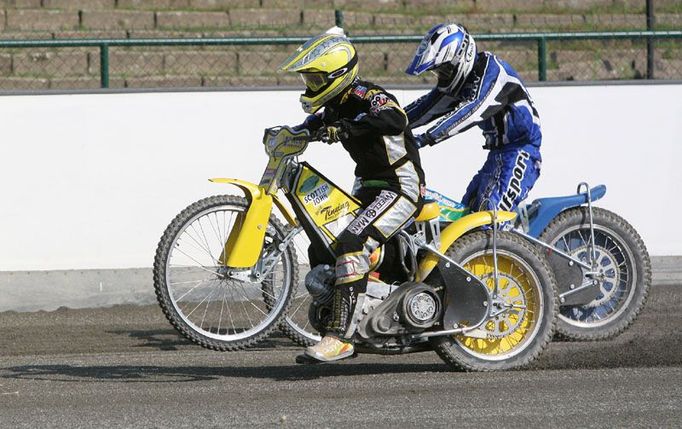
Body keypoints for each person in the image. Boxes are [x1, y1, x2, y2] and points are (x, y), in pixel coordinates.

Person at [280, 27, 425, 362]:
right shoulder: (333, 107)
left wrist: (349, 128)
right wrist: (287, 135)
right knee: (324, 245)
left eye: (315, 80)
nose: (310, 86)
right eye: (308, 80)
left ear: (338, 75)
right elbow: (312, 127)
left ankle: (342, 338)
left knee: (351, 243)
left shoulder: (367, 96)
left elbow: (394, 117)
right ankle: (349, 315)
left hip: (399, 188)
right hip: (367, 190)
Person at [404, 23, 542, 213]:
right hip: (497, 154)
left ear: (462, 57)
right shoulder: (462, 80)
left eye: (444, 71)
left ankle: (511, 243)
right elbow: (426, 108)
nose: (442, 77)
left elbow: (472, 109)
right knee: (465, 215)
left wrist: (425, 138)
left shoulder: (493, 71)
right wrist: (384, 122)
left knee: (488, 218)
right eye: (437, 73)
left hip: (521, 151)